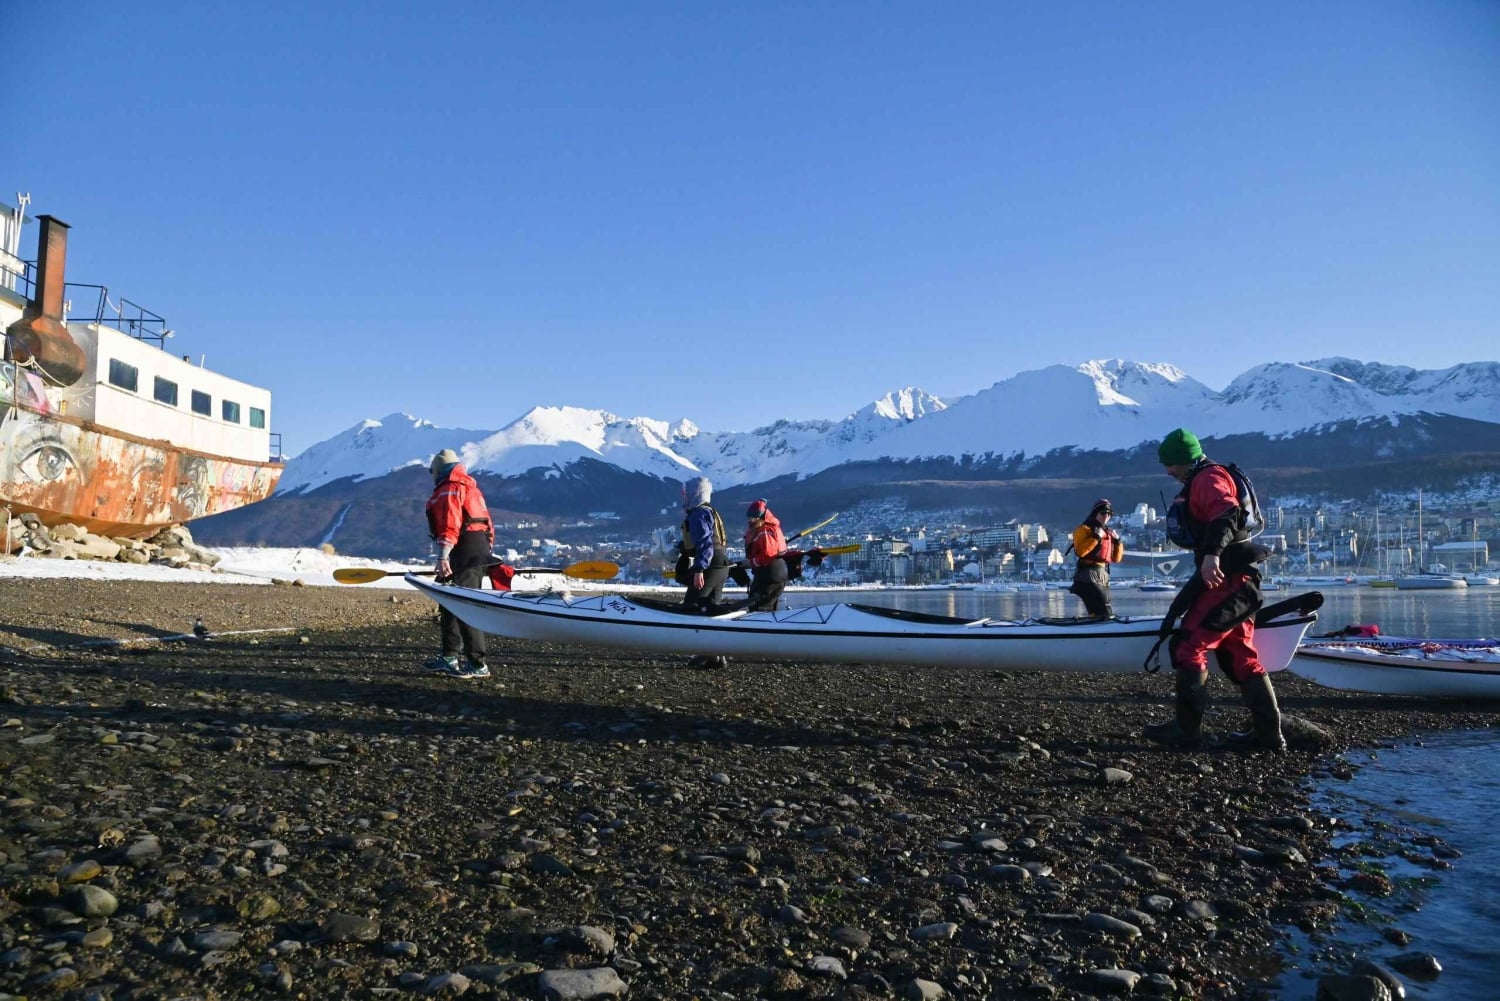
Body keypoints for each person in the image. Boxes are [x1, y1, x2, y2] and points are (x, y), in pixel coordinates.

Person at [1143, 428, 1284, 751]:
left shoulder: (1208, 479)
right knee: (1238, 654)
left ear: (1186, 459)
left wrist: (1211, 556)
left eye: (1172, 465)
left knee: (1189, 644)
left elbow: (1227, 512)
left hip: (1229, 578)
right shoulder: (1206, 476)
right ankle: (1268, 735)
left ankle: (1187, 729)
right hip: (1239, 579)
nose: (1169, 472)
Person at [424, 448, 493, 678]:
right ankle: (449, 656)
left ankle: (477, 664)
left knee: (466, 606)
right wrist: (486, 552)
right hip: (478, 548)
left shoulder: (449, 489)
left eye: (432, 472)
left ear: (438, 470)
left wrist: (443, 555)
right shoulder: (472, 488)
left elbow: (450, 525)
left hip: (462, 549)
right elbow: (488, 525)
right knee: (449, 602)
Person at [674, 476, 731, 668]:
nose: (683, 496)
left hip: (710, 565)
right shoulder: (710, 511)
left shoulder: (698, 514)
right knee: (711, 611)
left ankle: (704, 652)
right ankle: (715, 656)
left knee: (693, 607)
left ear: (693, 494)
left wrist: (699, 569)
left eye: (685, 492)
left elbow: (706, 543)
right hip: (721, 565)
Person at [1069, 498, 1123, 618]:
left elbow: (1116, 559)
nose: (1106, 516)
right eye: (1103, 513)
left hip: (1102, 575)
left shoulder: (1108, 533)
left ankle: (1091, 628)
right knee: (1105, 612)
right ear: (1095, 513)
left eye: (1109, 514)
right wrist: (1096, 537)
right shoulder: (1084, 529)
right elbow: (1080, 552)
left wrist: (1118, 542)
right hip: (1087, 576)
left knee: (1098, 611)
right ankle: (1102, 630)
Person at [743, 499, 789, 612]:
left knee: (758, 608)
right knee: (768, 609)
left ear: (759, 517)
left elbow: (768, 554)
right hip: (778, 574)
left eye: (752, 517)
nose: (749, 520)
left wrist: (751, 562)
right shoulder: (772, 528)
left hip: (768, 574)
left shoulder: (764, 530)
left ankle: (758, 627)